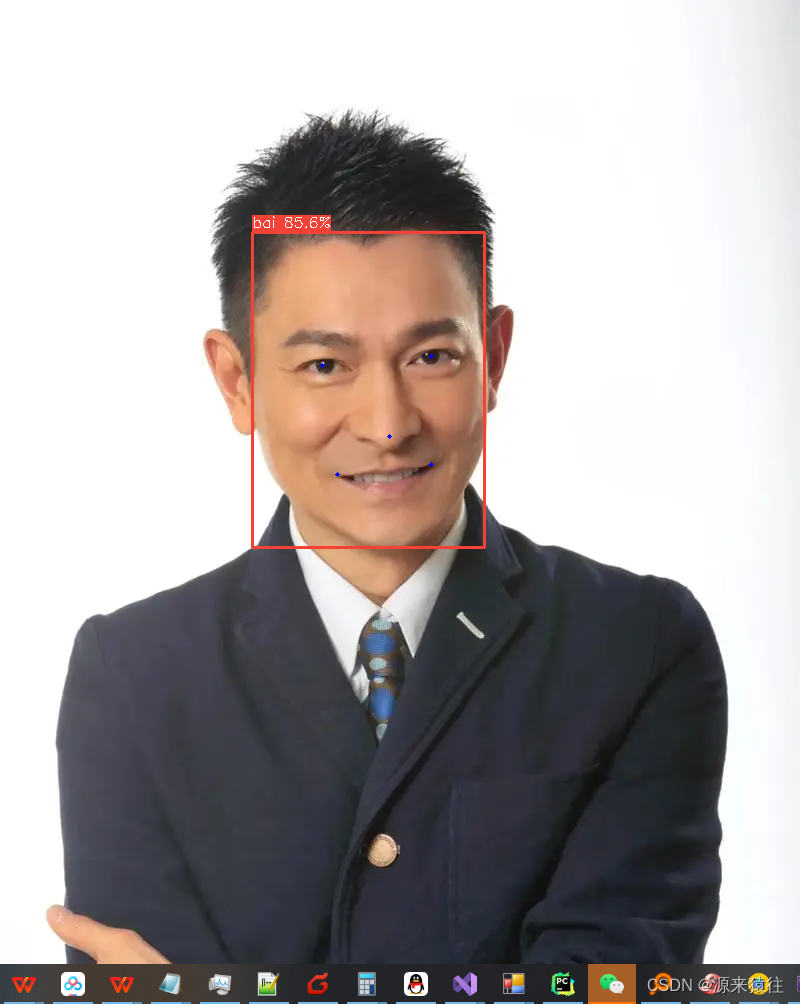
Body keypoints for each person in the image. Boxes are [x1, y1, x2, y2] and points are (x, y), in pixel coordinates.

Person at [48, 109, 728, 965]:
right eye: (324, 365)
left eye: (431, 357)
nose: (387, 424)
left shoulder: (637, 645)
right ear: (237, 380)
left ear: (495, 356)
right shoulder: (134, 676)